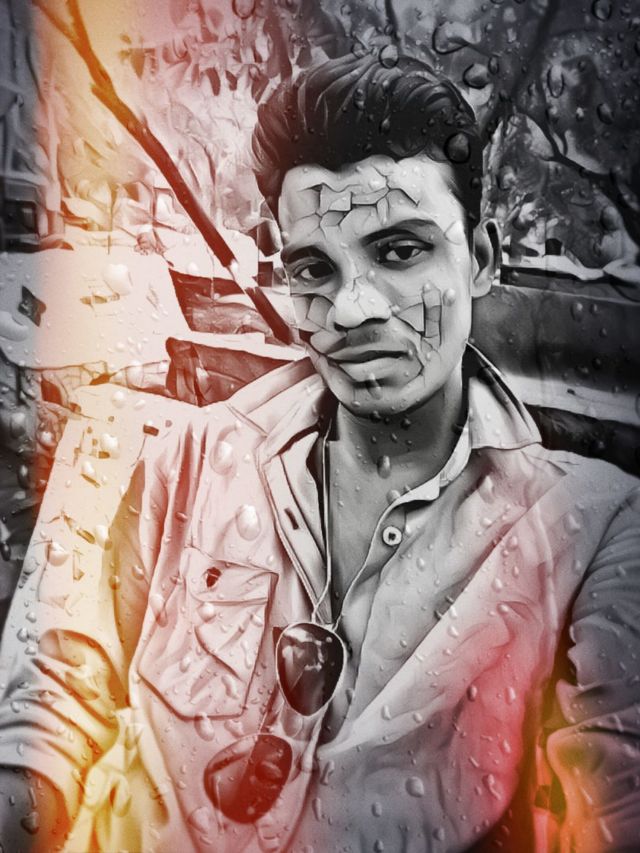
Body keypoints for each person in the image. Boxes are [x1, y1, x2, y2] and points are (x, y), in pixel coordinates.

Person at [0, 52, 639, 853]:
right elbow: (57, 705)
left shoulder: (590, 528)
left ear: (481, 257)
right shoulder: (192, 459)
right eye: (314, 268)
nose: (352, 308)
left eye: (400, 251)